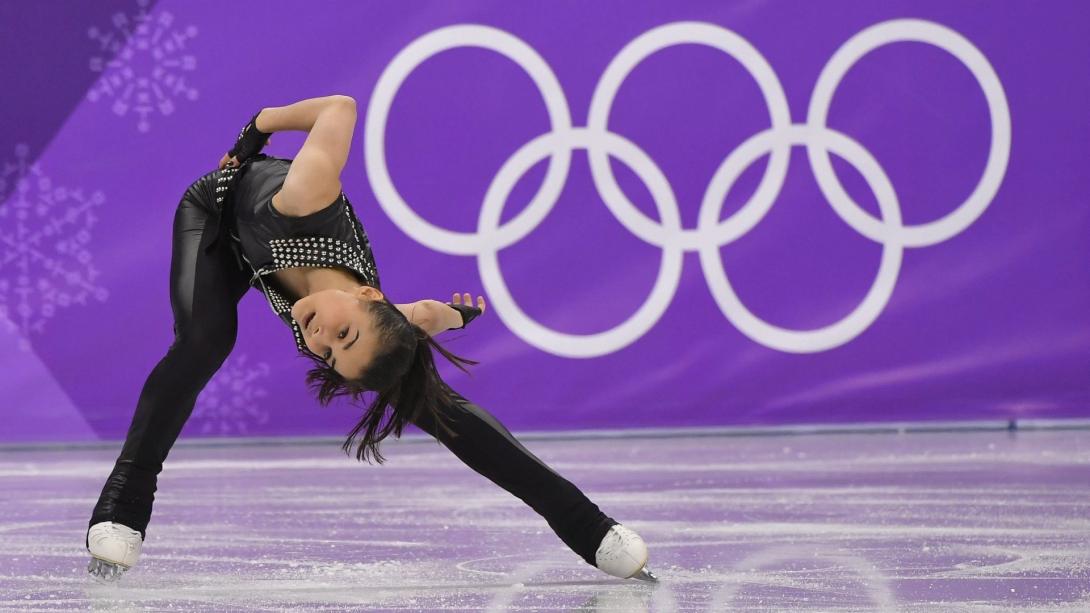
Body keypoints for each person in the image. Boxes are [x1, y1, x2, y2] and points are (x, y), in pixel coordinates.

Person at [85, 95, 657, 583]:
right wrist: (259, 125)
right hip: (217, 214)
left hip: (296, 270)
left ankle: (588, 528)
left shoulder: (369, 322)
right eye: (342, 334)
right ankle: (124, 505)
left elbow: (423, 317)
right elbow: (341, 106)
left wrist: (453, 318)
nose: (318, 338)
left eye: (331, 354)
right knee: (205, 342)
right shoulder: (306, 194)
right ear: (367, 297)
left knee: (424, 398)